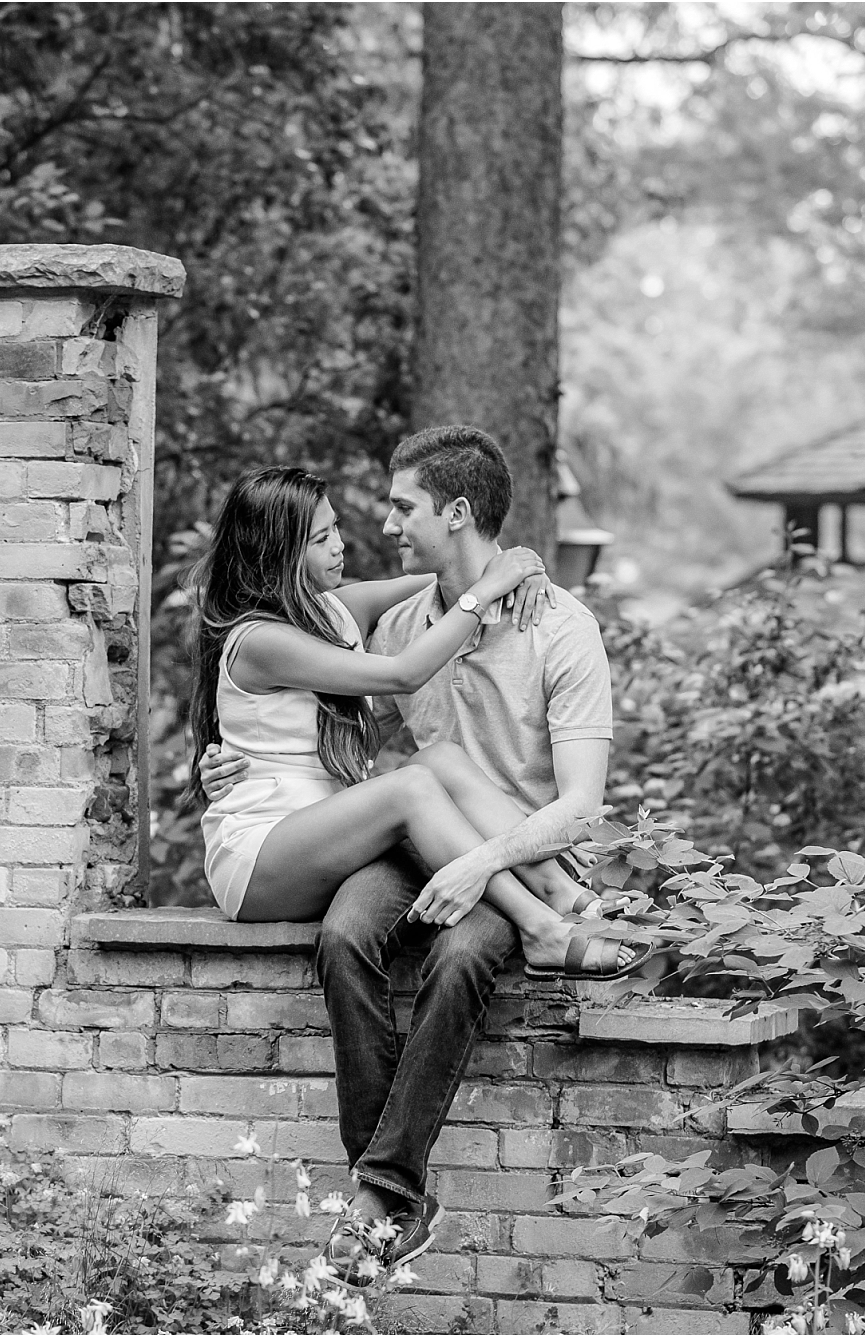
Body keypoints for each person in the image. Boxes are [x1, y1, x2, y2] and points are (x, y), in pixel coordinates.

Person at [196, 427, 648, 1281]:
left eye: (402, 507)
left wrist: (513, 565)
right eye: (330, 532)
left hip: (505, 850)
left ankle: (382, 1193)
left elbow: (580, 803)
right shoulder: (369, 629)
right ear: (291, 551)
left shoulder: (553, 626)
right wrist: (490, 580)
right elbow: (401, 666)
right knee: (345, 931)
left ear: (456, 510)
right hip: (388, 839)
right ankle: (392, 1191)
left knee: (461, 947)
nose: (376, 526)